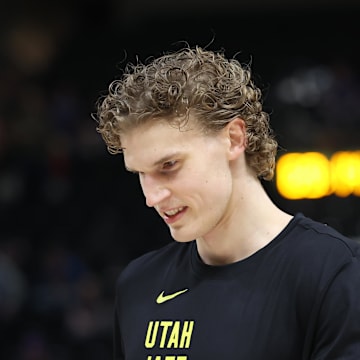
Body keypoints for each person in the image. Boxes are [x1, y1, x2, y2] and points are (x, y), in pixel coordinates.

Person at [95, 46, 360, 360]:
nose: (152, 197)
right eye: (141, 173)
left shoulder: (335, 272)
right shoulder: (138, 284)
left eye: (169, 166)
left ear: (234, 138)